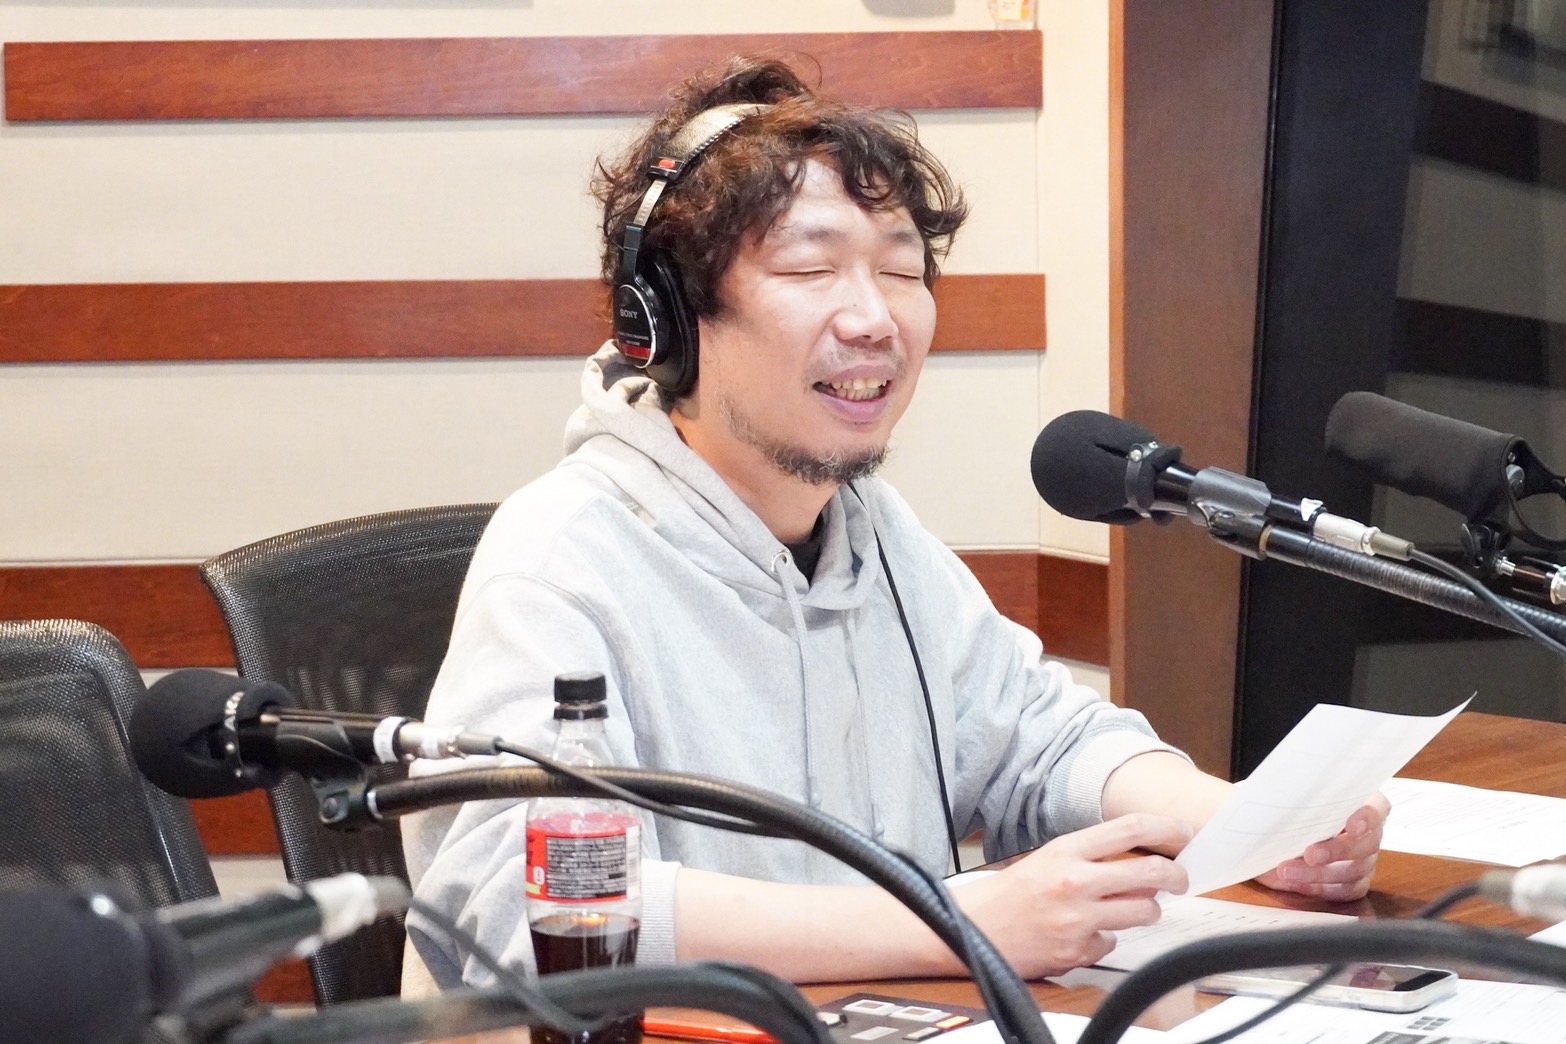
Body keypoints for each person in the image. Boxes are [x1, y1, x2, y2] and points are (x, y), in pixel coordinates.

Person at [401, 56, 1387, 992]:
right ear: (662, 317)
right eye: (810, 269)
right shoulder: (563, 561)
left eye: (902, 271)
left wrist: (1249, 824)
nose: (874, 319)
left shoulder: (874, 531)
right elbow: (531, 901)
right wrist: (953, 923)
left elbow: (1038, 740)